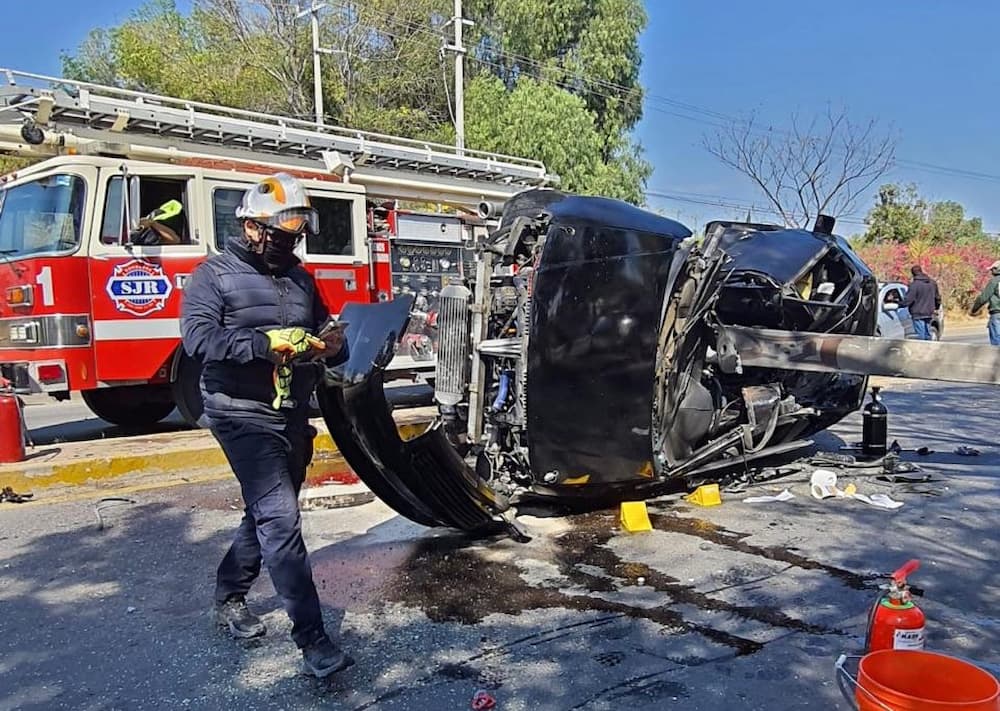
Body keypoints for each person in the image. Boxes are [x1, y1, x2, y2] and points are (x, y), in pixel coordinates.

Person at [180, 173, 352, 678]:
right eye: (279, 236)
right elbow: (198, 339)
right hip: (238, 411)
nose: (287, 245)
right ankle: (314, 639)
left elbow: (321, 326)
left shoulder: (301, 278)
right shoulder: (212, 275)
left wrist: (331, 341)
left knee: (266, 512)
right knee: (279, 519)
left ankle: (230, 594)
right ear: (252, 228)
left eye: (295, 237)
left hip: (290, 412)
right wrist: (264, 345)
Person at [901, 265, 940, 341]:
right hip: (929, 311)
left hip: (917, 313)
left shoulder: (914, 285)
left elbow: (908, 300)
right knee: (928, 332)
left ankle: (923, 348)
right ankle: (929, 347)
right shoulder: (932, 283)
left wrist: (899, 304)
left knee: (921, 334)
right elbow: (937, 297)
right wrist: (936, 307)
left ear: (913, 274)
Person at [970, 260, 1000, 346]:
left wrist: (974, 309)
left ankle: (997, 358)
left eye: (992, 269)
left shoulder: (994, 281)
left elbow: (983, 298)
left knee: (996, 341)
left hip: (997, 313)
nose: (991, 272)